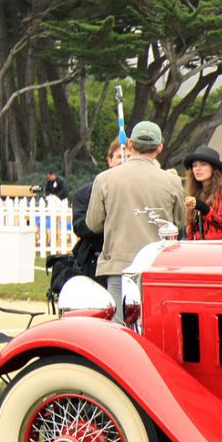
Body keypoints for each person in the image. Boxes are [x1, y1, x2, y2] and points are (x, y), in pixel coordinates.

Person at [85, 122, 186, 321]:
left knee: (121, 330)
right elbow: (179, 222)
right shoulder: (172, 181)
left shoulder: (105, 179)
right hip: (157, 267)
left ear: (130, 145)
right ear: (159, 148)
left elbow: (93, 223)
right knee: (155, 326)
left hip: (120, 264)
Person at [68, 139, 122, 289]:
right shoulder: (85, 194)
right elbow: (80, 227)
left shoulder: (139, 193)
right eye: (119, 157)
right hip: (96, 262)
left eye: (129, 157)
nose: (124, 161)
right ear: (110, 160)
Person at [183, 146, 222, 241]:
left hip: (220, 247)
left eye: (203, 164)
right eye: (194, 165)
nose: (197, 169)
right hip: (197, 248)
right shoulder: (194, 192)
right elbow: (190, 229)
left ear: (214, 168)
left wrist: (201, 206)